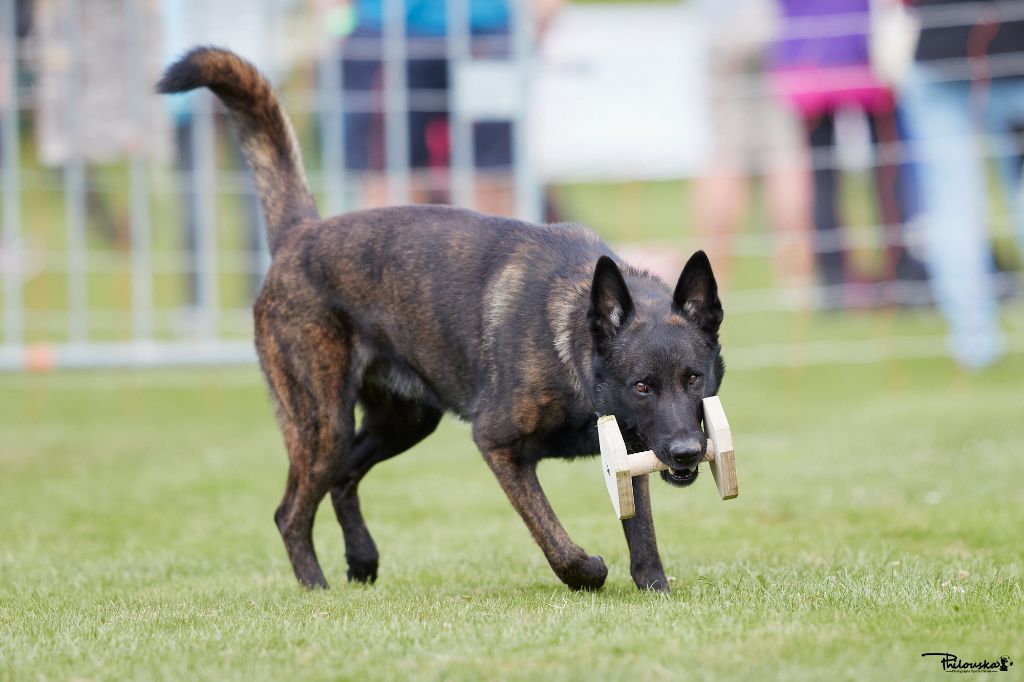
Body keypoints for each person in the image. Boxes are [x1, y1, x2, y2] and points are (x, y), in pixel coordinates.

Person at [769, 0, 929, 308]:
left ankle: (835, 281)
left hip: (808, 52)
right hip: (863, 46)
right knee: (885, 165)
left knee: (824, 174)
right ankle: (901, 272)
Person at [901, 0, 1024, 369]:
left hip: (941, 51)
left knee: (951, 203)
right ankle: (974, 342)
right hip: (1008, 50)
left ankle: (973, 345)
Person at [691, 0, 813, 301]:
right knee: (784, 151)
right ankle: (795, 280)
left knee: (727, 156)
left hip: (722, 26)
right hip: (777, 24)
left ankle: (713, 280)